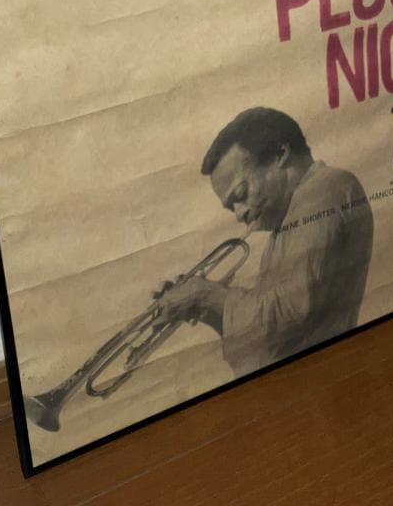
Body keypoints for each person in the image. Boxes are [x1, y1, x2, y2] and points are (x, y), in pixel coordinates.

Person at [156, 107, 374, 377]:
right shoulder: (286, 222)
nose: (239, 214)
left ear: (280, 154)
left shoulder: (325, 187)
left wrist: (207, 295)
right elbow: (266, 343)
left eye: (241, 194)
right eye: (231, 207)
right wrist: (205, 308)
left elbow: (292, 310)